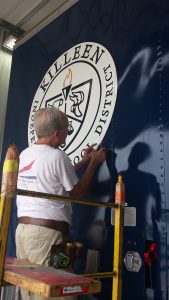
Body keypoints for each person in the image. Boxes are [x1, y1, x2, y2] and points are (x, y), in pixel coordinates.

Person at [15, 107, 106, 300]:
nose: (66, 135)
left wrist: (83, 161)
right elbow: (78, 192)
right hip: (47, 238)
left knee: (33, 293)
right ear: (57, 133)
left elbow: (56, 176)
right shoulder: (57, 156)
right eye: (67, 130)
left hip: (24, 233)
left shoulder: (25, 155)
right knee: (57, 294)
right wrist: (93, 163)